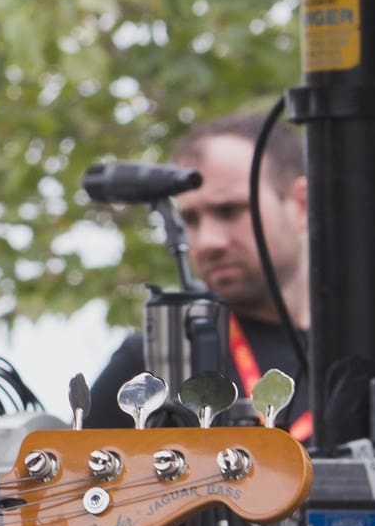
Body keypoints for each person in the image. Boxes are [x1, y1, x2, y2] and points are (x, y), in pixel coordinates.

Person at [86, 109, 311, 438]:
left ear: (301, 205)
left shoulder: (371, 353)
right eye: (190, 219)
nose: (207, 242)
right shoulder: (152, 366)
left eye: (229, 211)